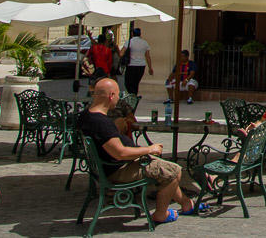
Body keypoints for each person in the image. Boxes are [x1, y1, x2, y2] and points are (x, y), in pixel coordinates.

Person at [78, 78, 202, 224]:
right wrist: (149, 149)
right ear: (111, 95)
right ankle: (161, 214)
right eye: (118, 95)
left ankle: (186, 204)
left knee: (165, 168)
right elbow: (120, 153)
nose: (118, 99)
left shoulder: (86, 115)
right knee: (175, 171)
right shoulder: (101, 122)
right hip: (118, 170)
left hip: (109, 167)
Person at [121, 27, 154, 96]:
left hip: (131, 65)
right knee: (136, 83)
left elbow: (121, 53)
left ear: (132, 33)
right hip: (141, 66)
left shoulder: (129, 42)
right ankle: (134, 96)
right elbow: (148, 56)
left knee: (128, 83)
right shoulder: (145, 43)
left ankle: (131, 96)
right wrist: (150, 68)